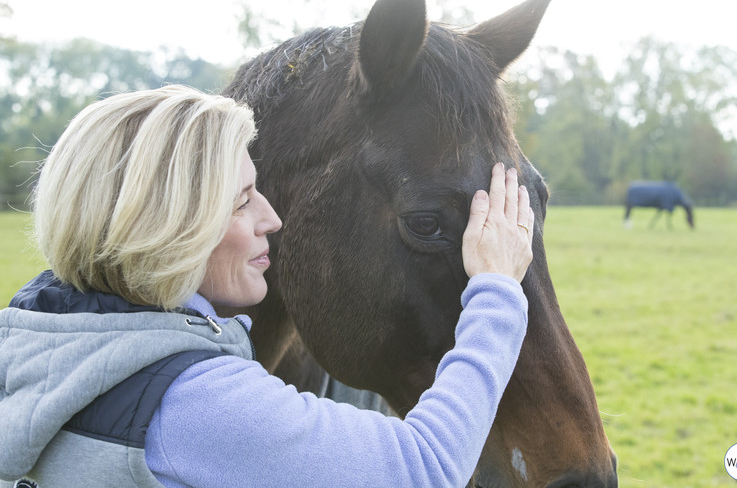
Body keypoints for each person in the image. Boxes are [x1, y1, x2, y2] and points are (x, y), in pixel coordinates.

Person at [0, 85, 535, 488]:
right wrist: (495, 290)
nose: (272, 219)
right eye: (242, 199)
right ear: (170, 225)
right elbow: (425, 467)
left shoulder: (27, 344)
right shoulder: (193, 405)